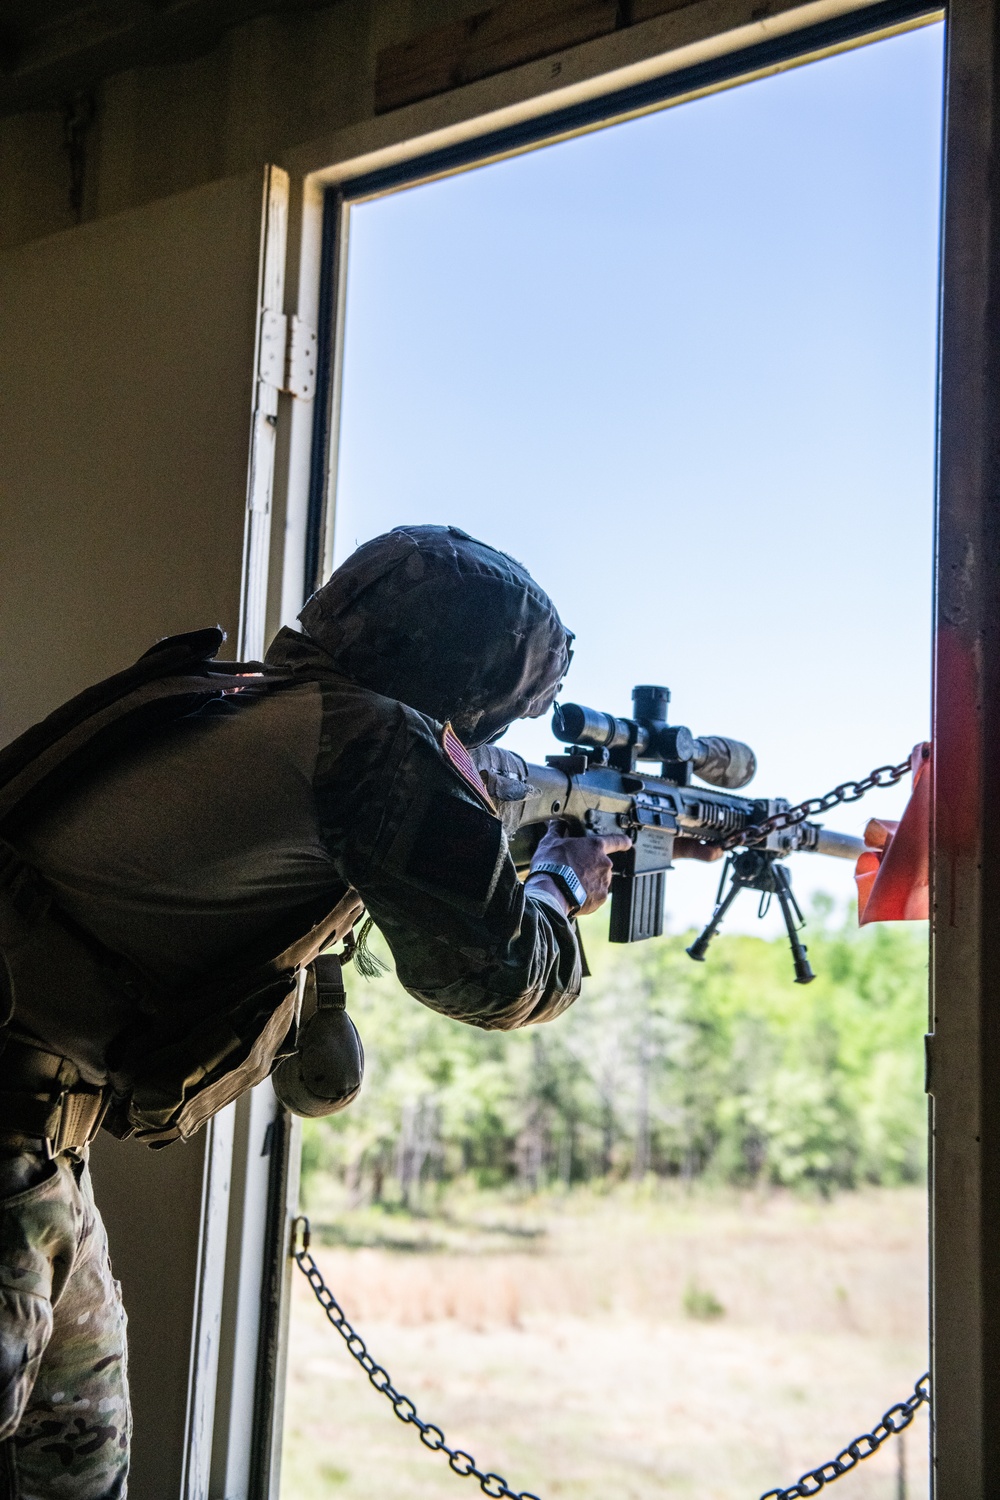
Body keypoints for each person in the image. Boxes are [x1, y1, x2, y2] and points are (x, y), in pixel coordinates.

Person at [0, 525, 703, 1498]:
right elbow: (496, 979)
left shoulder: (252, 702)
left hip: (37, 1130)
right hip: (9, 1126)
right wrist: (555, 885)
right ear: (473, 681)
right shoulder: (370, 744)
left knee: (72, 1456)